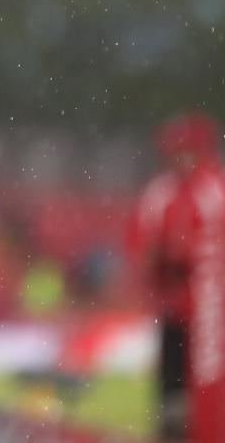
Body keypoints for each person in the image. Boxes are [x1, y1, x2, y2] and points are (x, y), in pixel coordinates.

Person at [128, 111, 225, 442]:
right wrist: (165, 260)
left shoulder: (215, 190)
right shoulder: (161, 193)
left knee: (208, 381)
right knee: (172, 388)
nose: (179, 159)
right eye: (175, 152)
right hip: (173, 310)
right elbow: (141, 245)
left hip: (211, 313)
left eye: (186, 151)